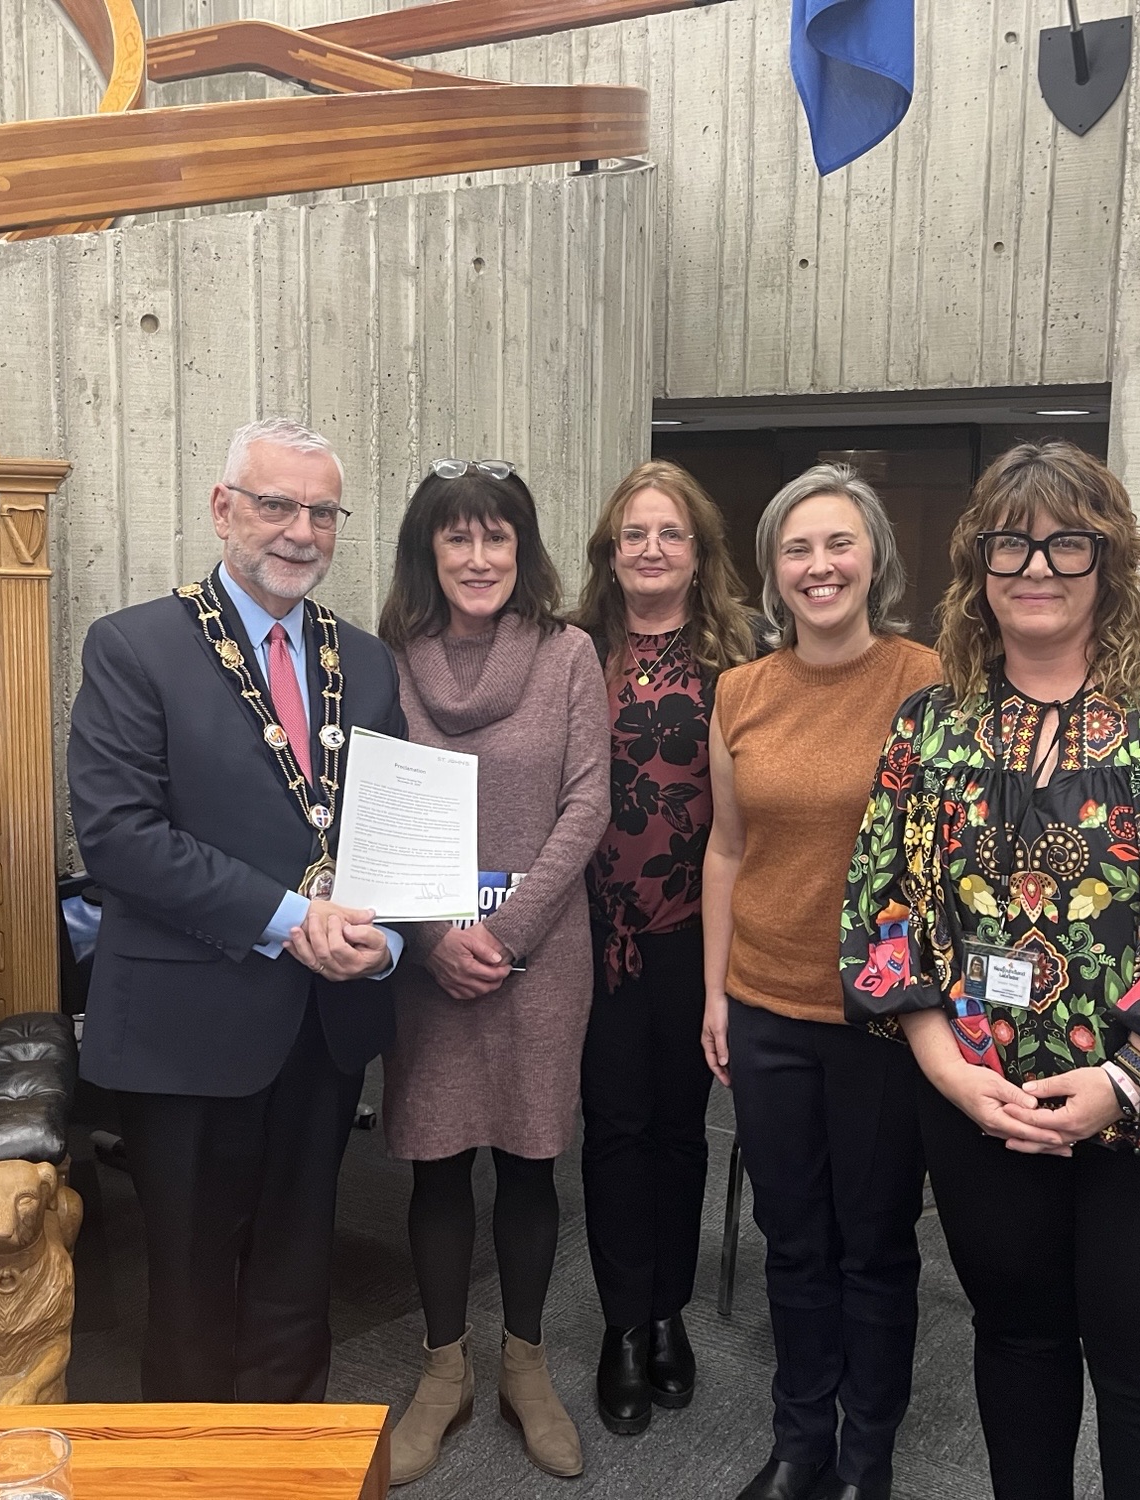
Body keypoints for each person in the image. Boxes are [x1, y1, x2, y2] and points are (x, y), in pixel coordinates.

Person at [841, 441, 1140, 1500]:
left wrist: (1122, 1081)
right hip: (984, 1109)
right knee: (1017, 1348)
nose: (1035, 567)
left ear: (1109, 562)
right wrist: (949, 1074)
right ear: (976, 565)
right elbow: (882, 910)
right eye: (1010, 543)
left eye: (1065, 543)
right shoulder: (931, 723)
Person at [67, 417, 408, 1403]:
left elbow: (386, 837)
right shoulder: (135, 647)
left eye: (320, 511)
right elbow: (120, 838)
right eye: (274, 505)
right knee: (187, 1285)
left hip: (323, 1023)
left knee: (302, 1274)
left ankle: (290, 1456)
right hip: (187, 1025)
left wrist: (382, 937)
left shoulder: (370, 663)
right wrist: (288, 920)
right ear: (223, 510)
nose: (299, 531)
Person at [702, 464, 942, 1500]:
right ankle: (800, 1442)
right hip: (764, 1009)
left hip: (883, 1021)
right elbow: (724, 848)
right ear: (771, 572)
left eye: (836, 544)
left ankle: (865, 1456)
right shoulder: (741, 693)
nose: (817, 566)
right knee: (790, 1241)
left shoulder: (927, 681)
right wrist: (714, 995)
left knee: (874, 1247)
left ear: (874, 558)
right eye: (795, 549)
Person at [376, 459, 609, 1485]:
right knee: (434, 1161)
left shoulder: (568, 655)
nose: (478, 557)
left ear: (524, 549)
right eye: (456, 538)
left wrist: (505, 934)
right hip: (427, 957)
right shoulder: (384, 658)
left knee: (526, 1158)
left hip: (539, 952)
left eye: (497, 537)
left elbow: (587, 807)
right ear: (429, 552)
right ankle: (442, 1371)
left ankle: (522, 1364)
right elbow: (369, 810)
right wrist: (431, 936)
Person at [572, 460, 755, 1435]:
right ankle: (617, 1324)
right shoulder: (568, 650)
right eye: (632, 533)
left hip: (694, 935)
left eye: (669, 533)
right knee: (611, 1132)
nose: (649, 548)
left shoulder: (738, 659)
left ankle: (667, 1312)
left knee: (681, 1134)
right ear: (610, 550)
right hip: (589, 940)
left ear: (697, 553)